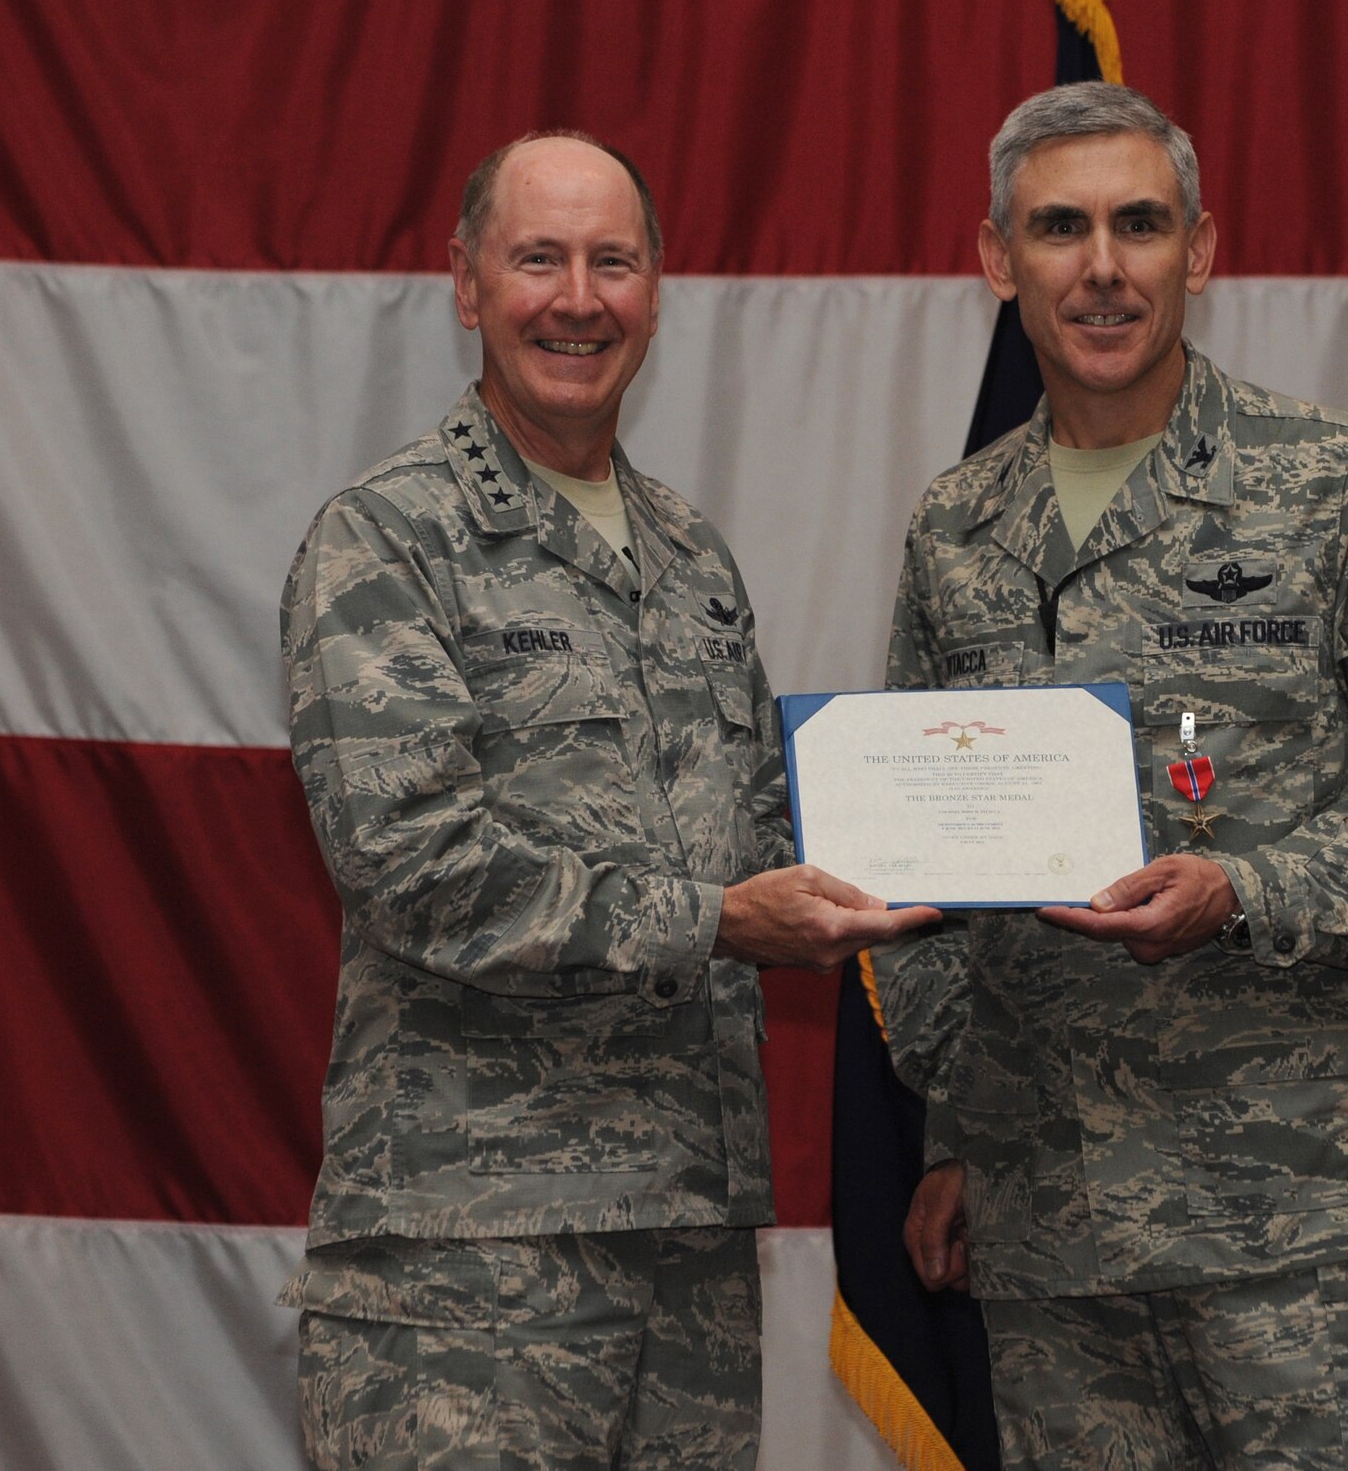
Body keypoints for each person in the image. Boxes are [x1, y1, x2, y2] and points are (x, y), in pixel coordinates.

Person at [875, 83, 1348, 1470]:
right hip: (1056, 1248)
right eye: (1059, 229)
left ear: (1203, 250)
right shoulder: (956, 525)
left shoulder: (1329, 478)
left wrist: (1254, 889)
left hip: (1303, 1232)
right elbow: (922, 842)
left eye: (1141, 225)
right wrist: (958, 1122)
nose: (1103, 267)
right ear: (999, 259)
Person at [278, 132, 936, 1471]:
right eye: (538, 259)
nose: (578, 298)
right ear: (467, 285)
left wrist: (959, 834)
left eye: (613, 262)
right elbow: (417, 867)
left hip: (687, 1250)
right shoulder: (388, 538)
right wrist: (721, 919)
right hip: (471, 1271)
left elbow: (763, 837)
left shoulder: (691, 555)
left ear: (655, 290)